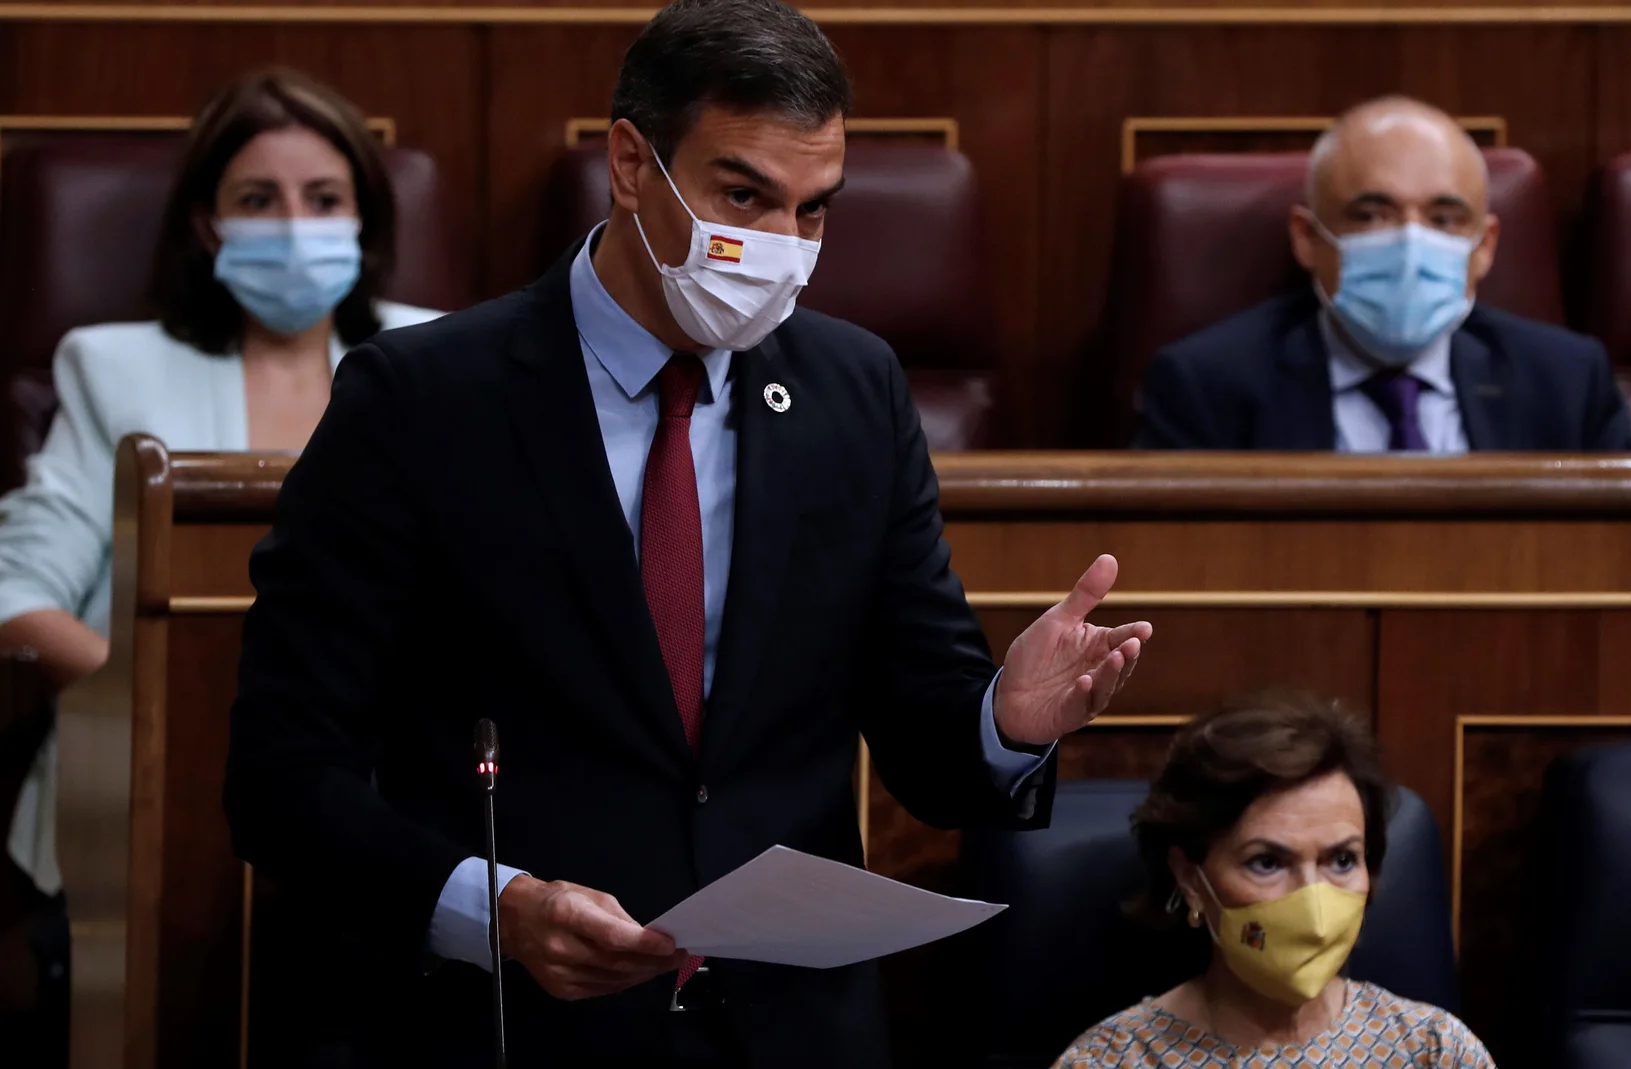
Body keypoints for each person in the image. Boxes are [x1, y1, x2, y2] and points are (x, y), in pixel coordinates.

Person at [222, 2, 1150, 1066]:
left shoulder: (855, 391)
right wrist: (497, 910)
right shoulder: (422, 401)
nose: (779, 248)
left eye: (812, 211)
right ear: (630, 163)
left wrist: (1008, 720)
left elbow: (925, 736)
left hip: (789, 1030)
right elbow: (282, 777)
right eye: (743, 195)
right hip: (518, 1023)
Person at [0, 68, 439, 903]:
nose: (295, 226)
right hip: (148, 780)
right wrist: (176, 706)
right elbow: (16, 591)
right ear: (208, 224)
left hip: (382, 796)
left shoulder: (442, 360)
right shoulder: (113, 369)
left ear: (363, 220)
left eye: (322, 198)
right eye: (258, 200)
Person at [1135, 96, 1631, 453]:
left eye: (1443, 219)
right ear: (1307, 238)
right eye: (1372, 215)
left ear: (1484, 247)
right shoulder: (1206, 386)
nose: (1409, 242)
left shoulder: (1568, 383)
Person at [1057, 692, 1494, 1068]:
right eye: (1267, 862)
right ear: (1190, 876)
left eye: (1342, 859)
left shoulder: (1435, 1051)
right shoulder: (1111, 1060)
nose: (1313, 903)